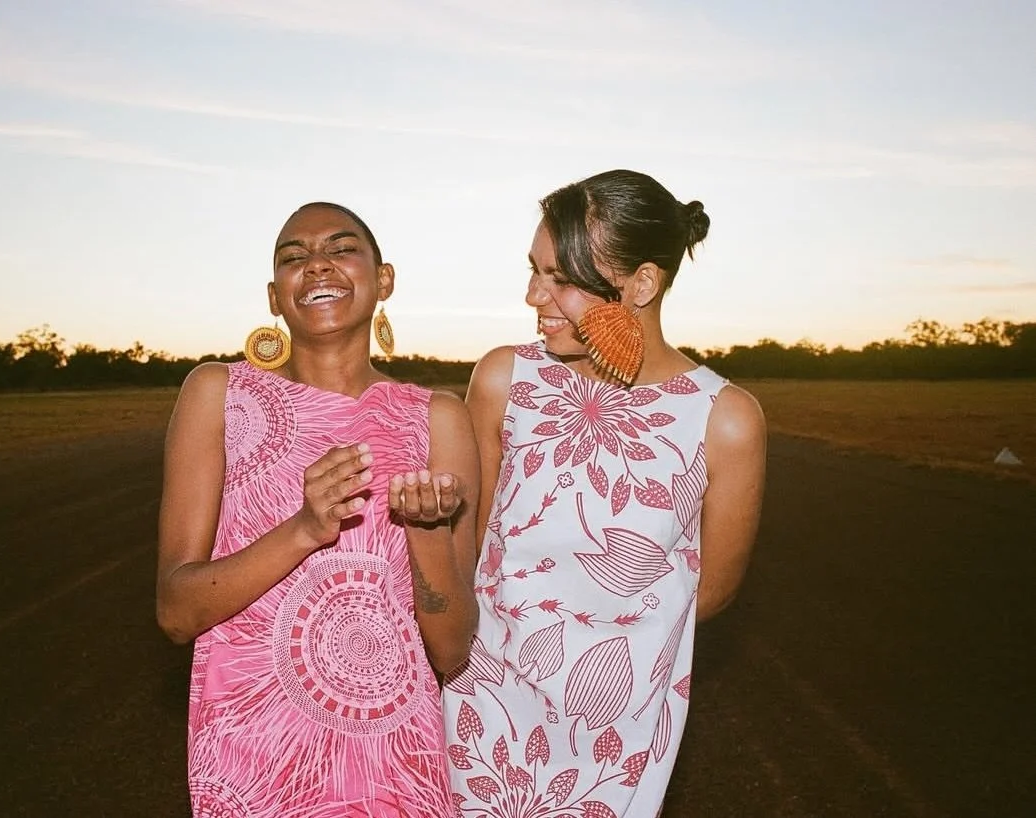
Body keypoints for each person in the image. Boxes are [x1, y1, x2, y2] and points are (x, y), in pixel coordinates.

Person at [442, 169, 766, 817]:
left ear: (642, 284)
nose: (533, 295)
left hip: (617, 730)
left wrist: (608, 647)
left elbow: (711, 592)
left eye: (561, 278)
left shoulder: (724, 419)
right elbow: (469, 545)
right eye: (534, 270)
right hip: (481, 704)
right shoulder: (504, 379)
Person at [156, 202, 481, 817]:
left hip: (393, 769)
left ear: (384, 280)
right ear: (274, 297)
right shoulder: (220, 395)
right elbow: (176, 612)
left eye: (341, 248)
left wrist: (428, 532)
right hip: (255, 765)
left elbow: (451, 648)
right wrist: (304, 530)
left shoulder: (437, 418)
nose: (317, 265)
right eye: (294, 257)